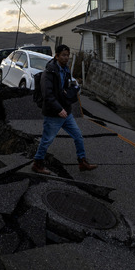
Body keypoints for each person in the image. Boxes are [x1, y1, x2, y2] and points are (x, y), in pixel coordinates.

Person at [32, 44, 98, 174]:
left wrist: (73, 89)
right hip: (53, 113)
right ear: (56, 56)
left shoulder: (66, 70)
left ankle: (82, 162)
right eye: (63, 55)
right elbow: (47, 95)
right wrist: (58, 109)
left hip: (66, 112)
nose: (66, 57)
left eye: (67, 55)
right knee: (47, 140)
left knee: (78, 136)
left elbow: (67, 85)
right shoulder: (49, 73)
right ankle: (37, 164)